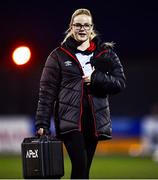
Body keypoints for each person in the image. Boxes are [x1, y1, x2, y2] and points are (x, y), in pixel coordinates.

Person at [35, 8, 126, 179]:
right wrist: (42, 123)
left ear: (91, 28)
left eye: (86, 25)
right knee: (80, 165)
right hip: (70, 122)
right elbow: (47, 92)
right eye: (78, 25)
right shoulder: (58, 56)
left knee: (84, 171)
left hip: (94, 121)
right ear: (71, 27)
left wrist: (96, 78)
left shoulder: (106, 54)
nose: (82, 28)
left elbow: (120, 83)